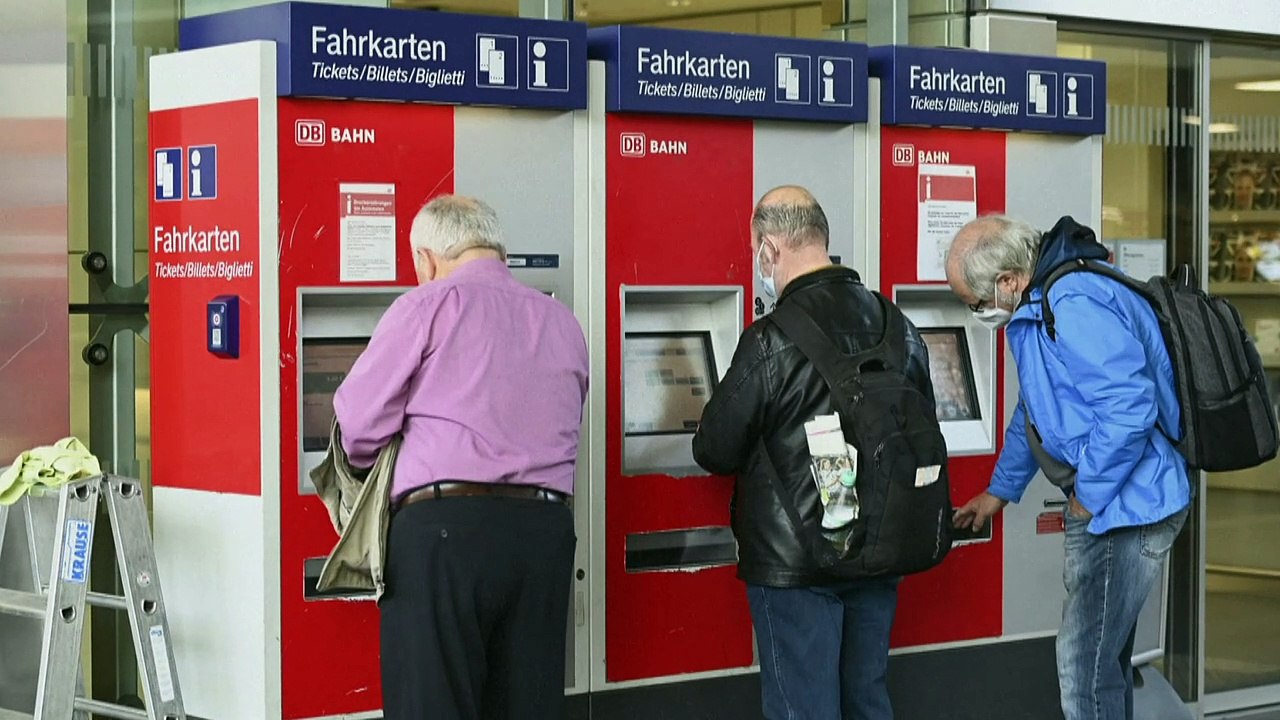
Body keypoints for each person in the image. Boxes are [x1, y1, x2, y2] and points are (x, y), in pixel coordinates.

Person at [333, 194, 588, 720]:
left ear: (425, 259)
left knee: (434, 706)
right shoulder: (561, 321)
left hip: (445, 535)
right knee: (528, 706)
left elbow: (358, 424)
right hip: (544, 534)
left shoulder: (425, 306)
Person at [692, 186, 934, 720]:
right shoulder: (900, 327)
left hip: (796, 563)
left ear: (769, 248)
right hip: (880, 547)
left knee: (803, 708)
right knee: (867, 698)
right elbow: (923, 419)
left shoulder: (770, 339)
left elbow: (713, 446)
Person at [947, 214, 1191, 720]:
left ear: (1008, 281)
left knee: (1084, 671)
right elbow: (1036, 408)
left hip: (1126, 508)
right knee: (1103, 665)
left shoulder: (1072, 301)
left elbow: (1129, 409)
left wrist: (1087, 498)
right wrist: (1000, 490)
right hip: (1118, 502)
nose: (975, 314)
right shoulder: (1042, 304)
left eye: (974, 303)